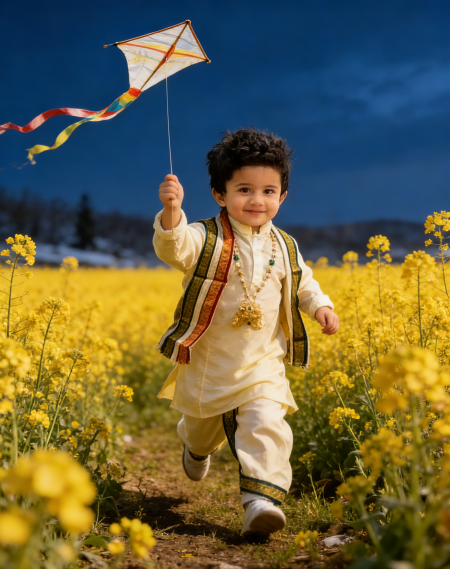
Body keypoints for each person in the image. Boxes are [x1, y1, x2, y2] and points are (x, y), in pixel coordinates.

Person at [153, 127, 339, 539]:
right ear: (220, 193)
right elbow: (174, 246)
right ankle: (195, 445)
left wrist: (321, 305)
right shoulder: (205, 236)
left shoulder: (285, 245)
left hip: (262, 362)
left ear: (283, 197)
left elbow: (303, 282)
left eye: (269, 191)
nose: (257, 200)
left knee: (266, 418)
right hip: (210, 363)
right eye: (244, 189)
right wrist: (171, 212)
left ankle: (260, 502)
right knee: (203, 429)